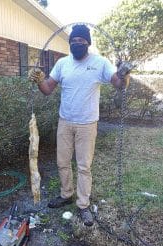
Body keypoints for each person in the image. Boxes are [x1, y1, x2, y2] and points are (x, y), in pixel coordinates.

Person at [29, 24, 130, 226]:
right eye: (73, 41)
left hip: (87, 124)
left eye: (81, 41)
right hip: (65, 121)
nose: (77, 44)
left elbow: (118, 83)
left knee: (84, 166)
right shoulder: (62, 63)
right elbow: (48, 88)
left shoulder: (100, 62)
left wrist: (123, 74)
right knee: (62, 162)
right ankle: (66, 194)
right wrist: (39, 80)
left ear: (88, 43)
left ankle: (83, 205)